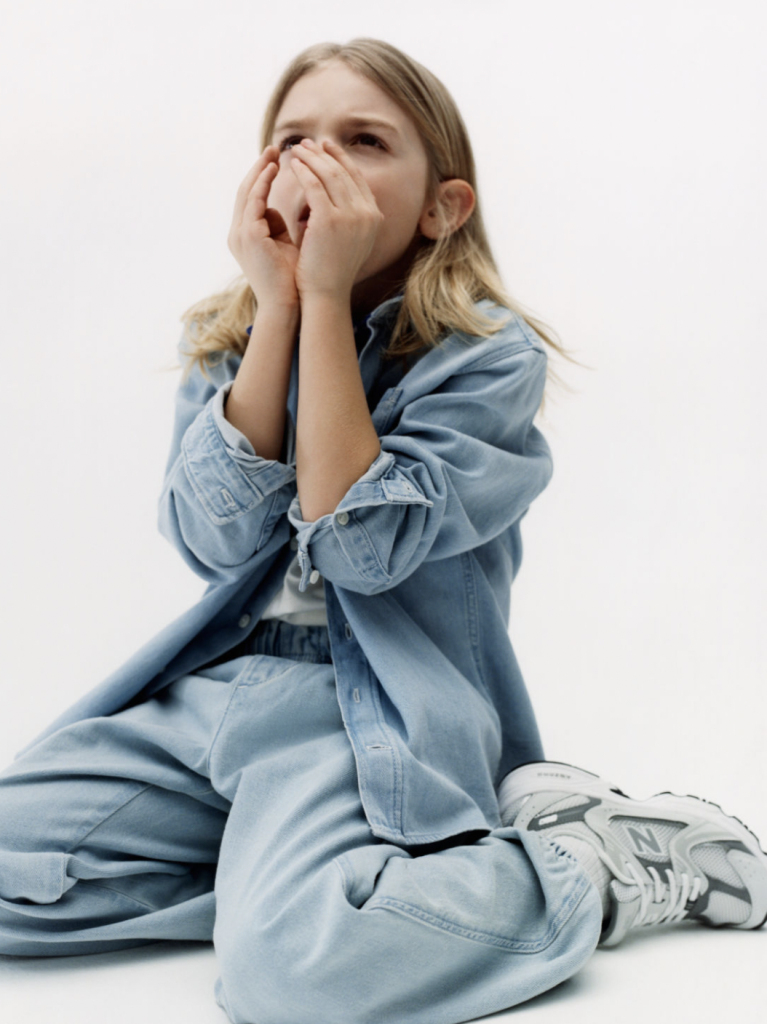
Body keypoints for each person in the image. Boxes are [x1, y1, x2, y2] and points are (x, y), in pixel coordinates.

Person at [0, 36, 764, 1024]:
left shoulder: (486, 358)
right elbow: (212, 543)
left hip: (361, 710)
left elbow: (358, 546)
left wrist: (322, 297)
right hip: (220, 688)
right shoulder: (226, 344)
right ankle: (280, 887)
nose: (318, 161)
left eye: (362, 140)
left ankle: (596, 861)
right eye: (291, 140)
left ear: (442, 207)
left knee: (290, 982)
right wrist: (277, 304)